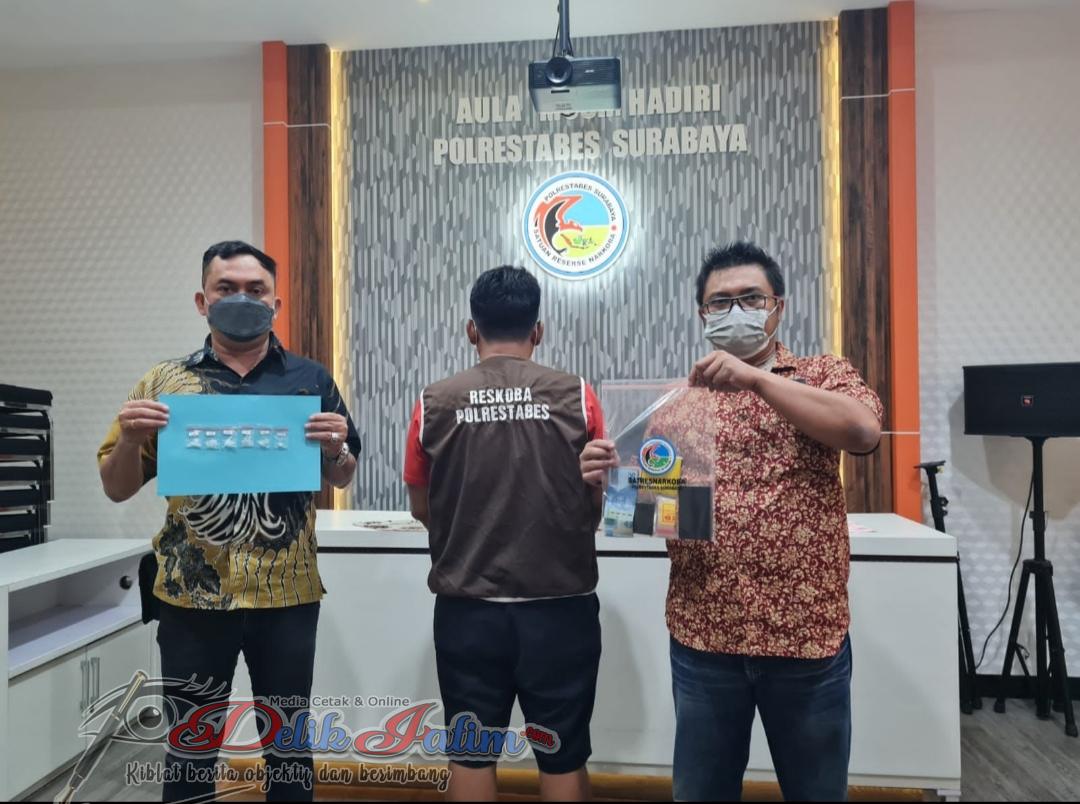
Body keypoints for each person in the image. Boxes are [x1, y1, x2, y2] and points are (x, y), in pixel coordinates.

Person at [580, 241, 884, 802]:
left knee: (817, 792)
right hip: (705, 639)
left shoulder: (821, 374)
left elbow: (862, 432)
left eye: (751, 298)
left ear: (778, 307)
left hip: (805, 638)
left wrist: (756, 379)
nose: (735, 310)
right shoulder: (676, 405)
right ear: (703, 315)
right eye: (720, 302)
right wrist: (607, 483)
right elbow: (652, 512)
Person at [97, 240, 361, 802]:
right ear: (202, 300)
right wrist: (131, 440)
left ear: (275, 303)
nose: (242, 299)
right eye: (226, 288)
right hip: (191, 599)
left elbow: (342, 475)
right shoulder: (165, 384)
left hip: (286, 596)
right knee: (190, 750)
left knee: (288, 748)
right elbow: (116, 488)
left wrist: (335, 450)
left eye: (255, 289)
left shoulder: (310, 380)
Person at [403, 265, 604, 802]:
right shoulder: (578, 395)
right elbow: (597, 503)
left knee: (471, 755)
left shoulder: (433, 402)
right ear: (538, 330)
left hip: (468, 609)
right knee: (562, 756)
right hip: (561, 608)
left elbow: (422, 507)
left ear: (472, 329)